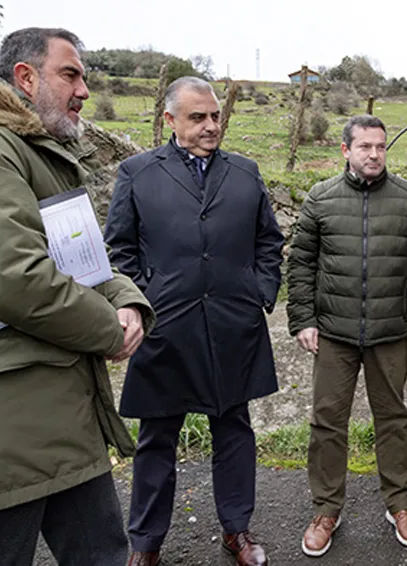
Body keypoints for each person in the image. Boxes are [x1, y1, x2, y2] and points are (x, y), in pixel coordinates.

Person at [0, 28, 155, 566]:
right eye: (71, 74)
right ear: (25, 77)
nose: (84, 90)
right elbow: (13, 279)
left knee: (103, 556)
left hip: (62, 415)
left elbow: (85, 259)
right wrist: (107, 328)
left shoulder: (36, 153)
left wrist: (129, 300)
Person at [105, 76, 284, 566]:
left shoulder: (245, 173)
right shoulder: (138, 173)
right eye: (197, 118)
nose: (210, 126)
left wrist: (259, 293)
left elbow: (269, 242)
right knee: (157, 439)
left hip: (232, 326)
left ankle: (237, 530)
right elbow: (119, 249)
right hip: (165, 327)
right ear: (169, 120)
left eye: (215, 116)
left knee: (234, 431)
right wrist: (145, 299)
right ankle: (145, 544)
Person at [287, 115, 407, 557]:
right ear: (346, 151)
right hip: (334, 334)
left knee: (393, 419)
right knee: (327, 422)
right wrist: (302, 319)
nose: (374, 154)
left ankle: (400, 504)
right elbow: (300, 265)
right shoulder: (320, 199)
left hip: (389, 332)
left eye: (380, 146)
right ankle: (326, 509)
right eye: (365, 147)